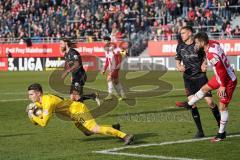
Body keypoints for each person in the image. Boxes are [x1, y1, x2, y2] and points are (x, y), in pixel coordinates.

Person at [176, 32, 237, 142]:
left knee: (222, 107)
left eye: (197, 43)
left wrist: (222, 86)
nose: (196, 45)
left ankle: (221, 133)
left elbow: (221, 70)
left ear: (203, 42)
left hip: (227, 80)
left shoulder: (211, 55)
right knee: (205, 88)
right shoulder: (213, 44)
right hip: (220, 77)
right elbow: (216, 46)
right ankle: (189, 104)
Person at [26, 83, 135, 145]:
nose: (29, 97)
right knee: (87, 132)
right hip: (73, 114)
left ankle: (125, 136)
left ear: (38, 93)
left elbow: (44, 123)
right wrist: (33, 117)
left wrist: (32, 115)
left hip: (78, 110)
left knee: (94, 129)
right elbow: (38, 120)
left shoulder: (48, 102)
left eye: (31, 94)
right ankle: (114, 128)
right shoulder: (39, 101)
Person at [175, 26, 220, 138]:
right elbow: (177, 60)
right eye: (181, 33)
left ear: (190, 33)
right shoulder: (180, 46)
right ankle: (200, 131)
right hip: (188, 79)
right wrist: (179, 66)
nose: (182, 35)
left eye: (183, 33)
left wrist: (204, 64)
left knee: (210, 103)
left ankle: (221, 126)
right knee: (192, 105)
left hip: (200, 77)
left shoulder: (197, 44)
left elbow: (205, 55)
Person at [60, 38, 100, 105]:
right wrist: (72, 75)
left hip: (80, 75)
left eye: (61, 43)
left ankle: (82, 113)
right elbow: (70, 66)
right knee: (72, 97)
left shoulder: (73, 52)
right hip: (75, 76)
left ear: (66, 43)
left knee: (77, 97)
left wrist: (68, 71)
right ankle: (93, 96)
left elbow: (77, 64)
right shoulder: (66, 55)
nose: (60, 45)